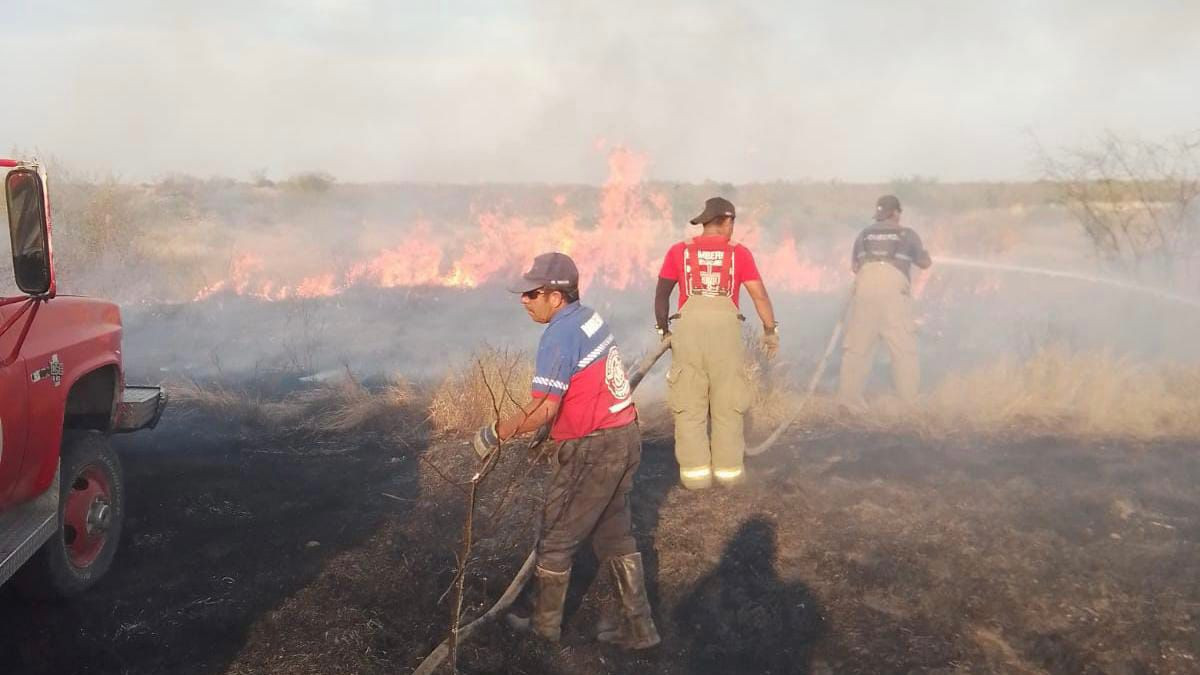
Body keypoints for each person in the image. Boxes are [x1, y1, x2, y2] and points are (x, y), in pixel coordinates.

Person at [472, 252, 660, 650]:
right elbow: (581, 387)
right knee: (615, 534)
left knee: (556, 538)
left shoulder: (557, 335)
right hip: (623, 437)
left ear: (555, 296)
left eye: (532, 293)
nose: (524, 300)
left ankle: (543, 634)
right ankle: (640, 628)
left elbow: (544, 408)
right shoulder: (588, 316)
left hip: (592, 449)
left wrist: (496, 433)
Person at [654, 197, 778, 490]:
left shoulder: (678, 251)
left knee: (689, 404)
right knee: (728, 403)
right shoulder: (740, 254)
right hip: (726, 333)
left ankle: (695, 478)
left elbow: (661, 294)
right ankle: (729, 475)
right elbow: (759, 296)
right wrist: (770, 330)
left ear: (705, 222)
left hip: (688, 330)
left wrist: (663, 330)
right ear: (728, 221)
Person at [837, 194, 932, 409]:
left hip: (865, 288)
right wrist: (925, 256)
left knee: (857, 347)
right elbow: (924, 263)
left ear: (879, 214)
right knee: (902, 347)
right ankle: (908, 402)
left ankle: (848, 402)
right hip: (892, 291)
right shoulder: (906, 234)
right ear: (896, 213)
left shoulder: (864, 234)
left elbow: (855, 268)